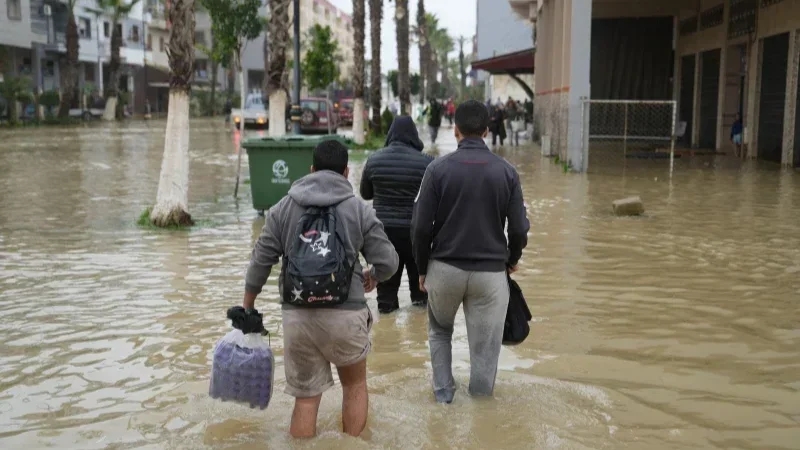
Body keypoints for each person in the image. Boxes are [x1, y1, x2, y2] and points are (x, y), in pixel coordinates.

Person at [244, 140, 399, 438]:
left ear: (312, 170)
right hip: (346, 313)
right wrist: (374, 276)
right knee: (353, 386)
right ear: (346, 172)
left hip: (297, 316)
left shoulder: (282, 208)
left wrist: (248, 305)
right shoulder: (359, 210)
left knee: (305, 399)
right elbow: (389, 261)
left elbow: (260, 261)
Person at [411, 100, 530, 404]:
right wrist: (512, 260)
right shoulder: (507, 172)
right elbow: (518, 228)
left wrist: (422, 269)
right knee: (486, 347)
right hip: (491, 275)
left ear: (456, 129)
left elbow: (421, 227)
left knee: (440, 332)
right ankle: (481, 408)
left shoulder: (436, 170)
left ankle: (443, 399)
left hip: (445, 269)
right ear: (488, 131)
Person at [360, 116, 434, 314]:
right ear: (414, 135)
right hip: (416, 235)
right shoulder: (427, 163)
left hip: (384, 235)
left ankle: (386, 336)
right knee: (421, 292)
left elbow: (365, 194)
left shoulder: (374, 160)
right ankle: (418, 338)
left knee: (385, 295)